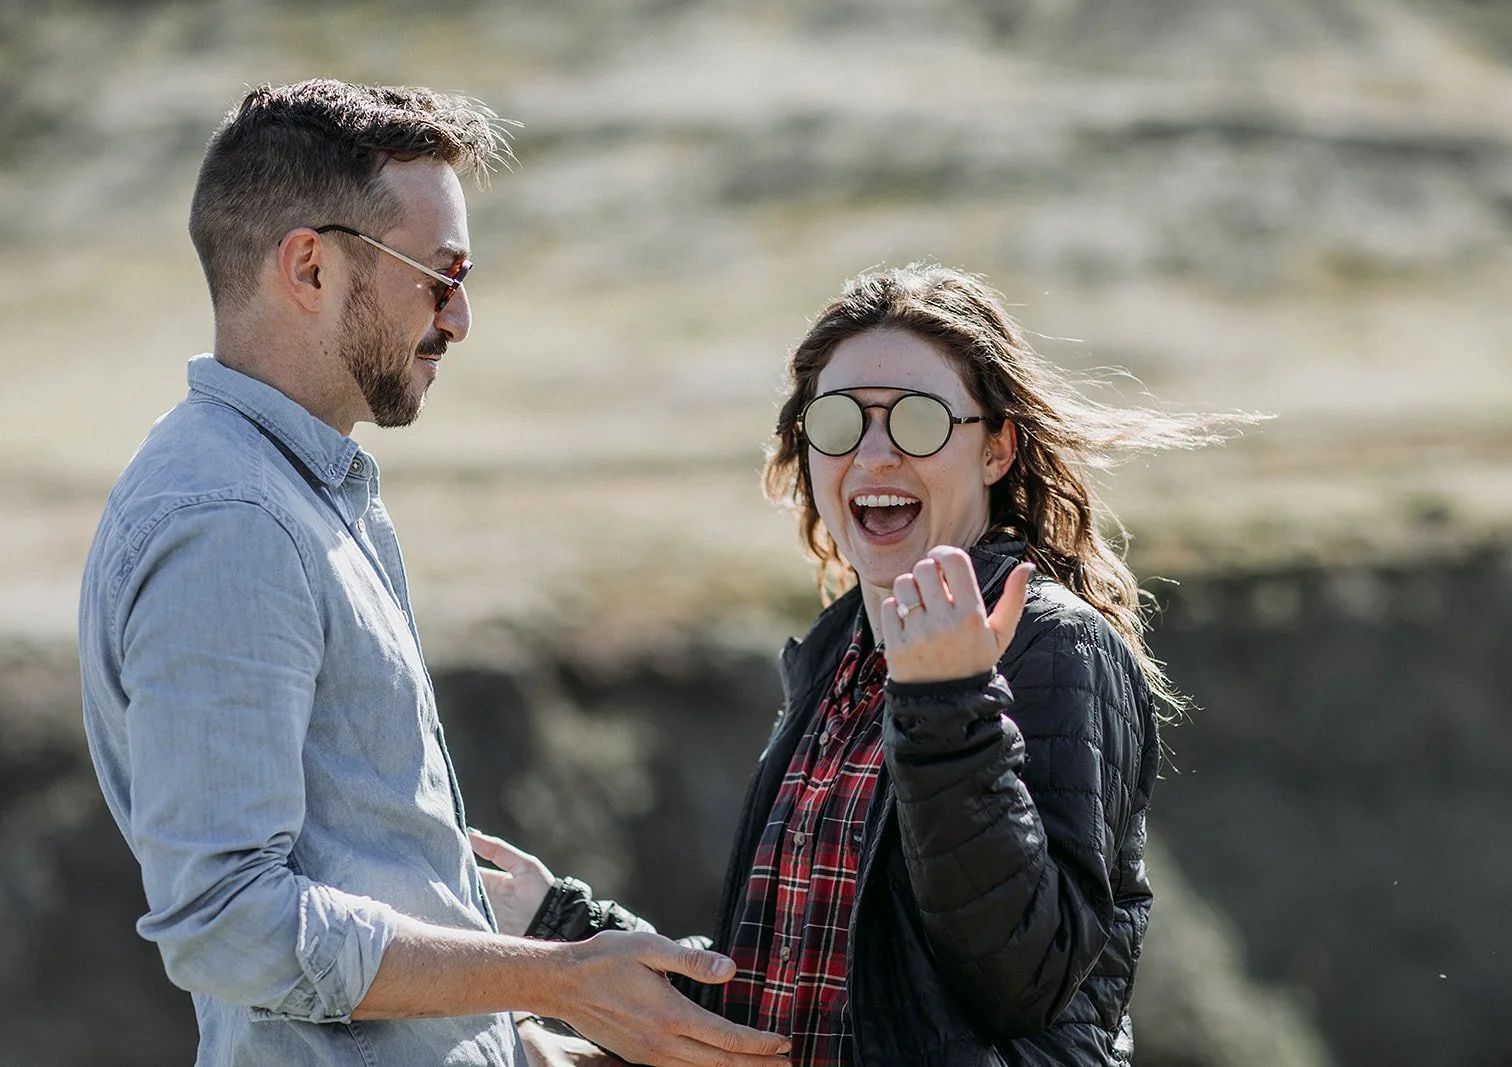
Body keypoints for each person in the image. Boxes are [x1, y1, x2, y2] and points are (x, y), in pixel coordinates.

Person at [77, 78, 790, 1067]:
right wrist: (551, 975)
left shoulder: (298, 491)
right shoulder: (230, 523)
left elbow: (353, 882)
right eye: (438, 275)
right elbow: (228, 923)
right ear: (312, 269)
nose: (458, 318)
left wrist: (522, 1044)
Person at [476, 262, 1244, 1064]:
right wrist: (561, 930)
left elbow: (1021, 979)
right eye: (840, 422)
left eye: (916, 420)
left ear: (995, 448)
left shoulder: (1056, 647)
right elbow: (795, 994)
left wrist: (950, 702)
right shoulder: (835, 661)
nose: (875, 454)